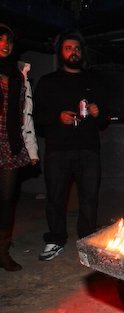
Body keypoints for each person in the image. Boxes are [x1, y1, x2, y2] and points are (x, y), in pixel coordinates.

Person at [34, 31, 108, 261]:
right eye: (68, 48)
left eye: (76, 48)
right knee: (56, 198)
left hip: (88, 149)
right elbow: (36, 117)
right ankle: (56, 239)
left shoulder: (93, 80)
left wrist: (98, 112)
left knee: (89, 197)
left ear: (81, 52)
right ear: (61, 52)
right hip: (58, 149)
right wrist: (58, 118)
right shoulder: (48, 81)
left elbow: (105, 118)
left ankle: (87, 239)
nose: (73, 52)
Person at [0, 23, 39, 271]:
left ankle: (2, 252)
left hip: (9, 143)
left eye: (9, 41)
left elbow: (26, 116)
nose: (5, 44)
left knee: (6, 201)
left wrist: (32, 150)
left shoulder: (19, 75)